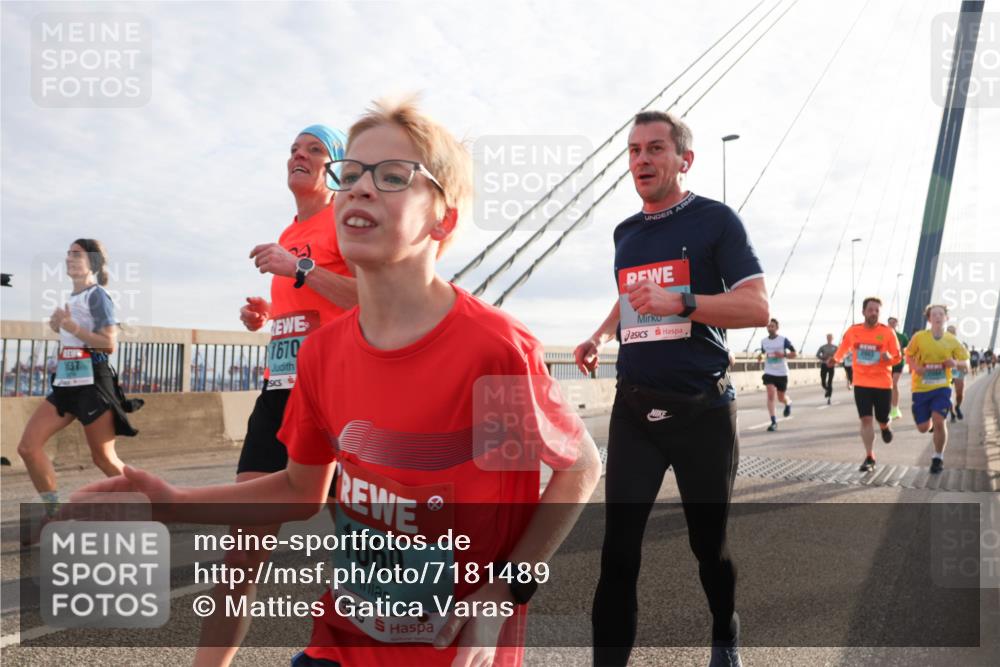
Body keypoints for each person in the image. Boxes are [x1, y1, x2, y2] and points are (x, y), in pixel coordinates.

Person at [78, 98, 602, 667]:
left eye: (393, 177)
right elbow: (299, 491)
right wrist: (172, 504)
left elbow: (578, 467)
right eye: (349, 175)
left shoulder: (492, 349)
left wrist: (505, 591)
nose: (359, 188)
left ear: (443, 219)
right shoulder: (323, 354)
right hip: (340, 645)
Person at [576, 110, 768, 667]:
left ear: (684, 160)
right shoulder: (626, 233)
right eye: (634, 150)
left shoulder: (717, 221)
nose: (642, 159)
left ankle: (724, 630)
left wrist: (683, 301)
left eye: (655, 148)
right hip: (635, 409)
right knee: (617, 554)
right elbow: (632, 293)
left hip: (702, 412)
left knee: (708, 548)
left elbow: (756, 306)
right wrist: (599, 334)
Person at [196, 125, 358, 667]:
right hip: (280, 392)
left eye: (315, 150)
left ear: (335, 168)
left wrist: (303, 269)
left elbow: (370, 296)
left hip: (338, 394)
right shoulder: (288, 231)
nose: (300, 156)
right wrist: (266, 316)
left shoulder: (345, 219)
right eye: (294, 149)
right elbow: (305, 307)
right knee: (241, 554)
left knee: (365, 554)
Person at [17, 239, 139, 522]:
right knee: (28, 447)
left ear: (92, 263)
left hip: (93, 383)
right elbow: (75, 338)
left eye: (77, 254)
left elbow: (108, 344)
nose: (69, 258)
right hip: (66, 383)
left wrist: (72, 326)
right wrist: (60, 326)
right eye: (68, 254)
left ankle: (151, 503)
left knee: (104, 458)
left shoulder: (97, 296)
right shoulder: (73, 299)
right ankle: (55, 513)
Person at [827, 297, 901, 472]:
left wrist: (890, 358)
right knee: (866, 419)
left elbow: (898, 356)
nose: (874, 313)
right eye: (871, 310)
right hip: (861, 382)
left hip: (883, 383)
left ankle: (885, 426)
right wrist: (835, 359)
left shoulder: (888, 332)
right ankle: (870, 456)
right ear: (863, 312)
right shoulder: (854, 331)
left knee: (881, 418)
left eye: (877, 310)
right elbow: (844, 348)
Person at [908, 306, 970, 473]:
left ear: (946, 318)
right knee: (922, 427)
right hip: (921, 388)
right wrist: (915, 367)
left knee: (939, 420)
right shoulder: (919, 337)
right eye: (934, 314)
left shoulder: (953, 341)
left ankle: (938, 457)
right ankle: (929, 426)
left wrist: (956, 363)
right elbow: (908, 355)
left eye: (941, 314)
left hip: (942, 387)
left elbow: (967, 363)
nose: (937, 317)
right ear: (929, 319)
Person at [758, 318, 796, 431]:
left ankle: (788, 403)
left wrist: (783, 355)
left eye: (772, 326)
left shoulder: (783, 340)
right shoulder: (764, 341)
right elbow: (763, 354)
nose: (770, 328)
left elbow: (794, 353)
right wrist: (760, 357)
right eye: (768, 326)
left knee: (780, 398)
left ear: (777, 328)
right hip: (769, 372)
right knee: (770, 395)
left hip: (782, 373)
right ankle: (773, 422)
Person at [886, 316, 909, 420]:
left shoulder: (902, 337)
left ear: (897, 324)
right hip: (886, 364)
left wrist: (904, 353)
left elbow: (907, 349)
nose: (892, 324)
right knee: (886, 386)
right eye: (890, 322)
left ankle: (895, 409)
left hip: (898, 363)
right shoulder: (883, 335)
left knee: (893, 384)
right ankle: (887, 408)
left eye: (894, 322)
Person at [945, 325, 966, 422]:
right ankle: (952, 412)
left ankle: (957, 406)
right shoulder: (942, 343)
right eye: (948, 331)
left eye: (952, 331)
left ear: (955, 333)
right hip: (946, 371)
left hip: (957, 370)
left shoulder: (959, 344)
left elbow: (965, 359)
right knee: (947, 394)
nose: (950, 333)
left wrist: (965, 366)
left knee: (959, 393)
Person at [815, 333, 838, 404]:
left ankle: (829, 397)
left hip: (831, 366)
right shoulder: (823, 347)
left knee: (830, 382)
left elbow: (839, 355)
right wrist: (823, 358)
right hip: (824, 365)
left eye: (830, 337)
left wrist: (833, 359)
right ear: (826, 338)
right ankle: (827, 389)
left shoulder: (835, 347)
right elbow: (817, 355)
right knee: (823, 381)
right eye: (828, 337)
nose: (829, 339)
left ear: (832, 338)